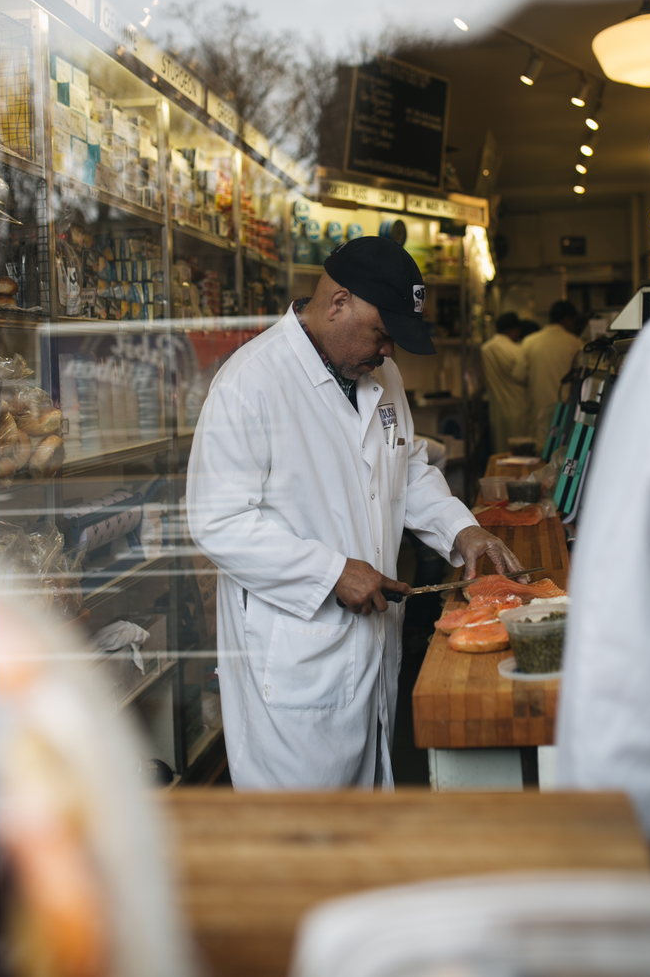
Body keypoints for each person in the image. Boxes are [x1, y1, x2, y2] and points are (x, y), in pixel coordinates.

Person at [187, 237, 523, 788]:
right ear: (339, 302)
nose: (389, 352)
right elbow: (217, 522)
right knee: (306, 849)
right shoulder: (250, 384)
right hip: (296, 665)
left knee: (367, 827)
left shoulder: (380, 376)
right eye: (382, 334)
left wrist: (462, 530)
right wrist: (332, 572)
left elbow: (406, 468)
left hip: (370, 650)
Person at [521, 300, 588, 447]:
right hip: (564, 410)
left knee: (539, 453)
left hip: (536, 411)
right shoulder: (576, 343)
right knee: (559, 454)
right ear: (567, 319)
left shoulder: (528, 342)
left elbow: (521, 376)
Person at [479, 312, 532, 453]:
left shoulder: (485, 349)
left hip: (497, 411)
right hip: (519, 409)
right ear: (512, 330)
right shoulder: (518, 350)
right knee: (519, 454)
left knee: (501, 452)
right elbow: (525, 377)